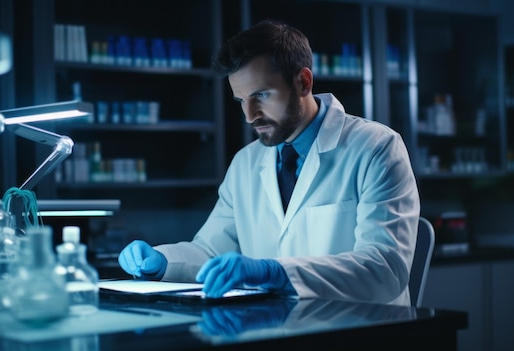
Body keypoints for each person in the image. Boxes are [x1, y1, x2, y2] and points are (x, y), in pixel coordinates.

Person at [118, 20, 420, 305]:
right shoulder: (246, 163)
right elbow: (213, 251)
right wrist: (162, 262)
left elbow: (385, 268)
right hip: (272, 329)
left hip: (361, 330)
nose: (250, 115)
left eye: (261, 95)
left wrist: (275, 273)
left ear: (303, 82)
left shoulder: (376, 148)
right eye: (241, 101)